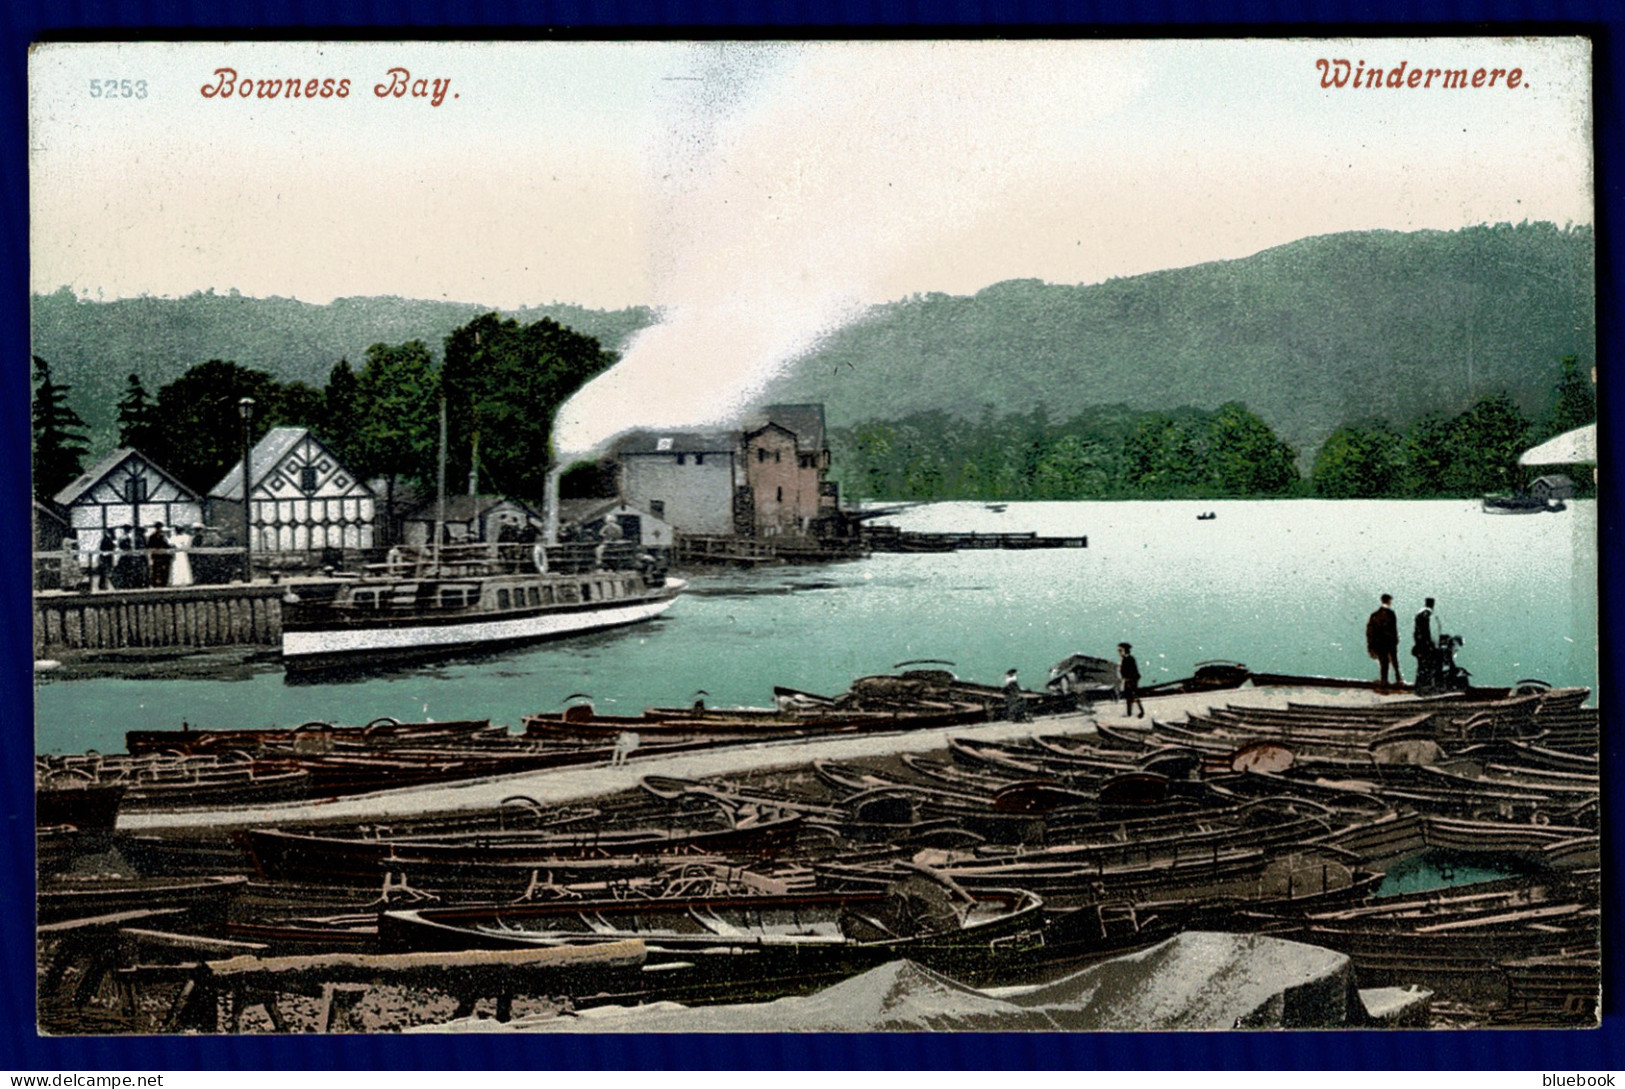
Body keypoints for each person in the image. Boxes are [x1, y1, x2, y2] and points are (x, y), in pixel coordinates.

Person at [1365, 593, 1403, 687]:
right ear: (1389, 601)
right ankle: (1398, 680)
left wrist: (1370, 644)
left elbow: (1370, 630)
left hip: (1379, 642)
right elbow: (1393, 628)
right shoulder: (1391, 613)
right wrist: (1395, 639)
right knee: (1394, 661)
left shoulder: (1375, 614)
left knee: (1383, 662)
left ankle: (1384, 680)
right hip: (1389, 642)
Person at [1413, 597, 1441, 692]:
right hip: (1426, 645)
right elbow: (1429, 631)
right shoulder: (1428, 614)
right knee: (1429, 666)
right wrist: (1432, 644)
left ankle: (1419, 686)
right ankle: (1427, 686)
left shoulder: (1419, 614)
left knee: (1421, 666)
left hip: (1419, 644)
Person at [1117, 642, 1145, 718]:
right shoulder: (1125, 659)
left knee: (1133, 695)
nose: (1119, 652)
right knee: (1129, 696)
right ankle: (1130, 712)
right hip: (1128, 679)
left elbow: (1132, 671)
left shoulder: (1129, 659)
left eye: (1120, 650)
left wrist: (1129, 679)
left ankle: (1140, 712)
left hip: (1131, 680)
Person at [146, 523, 172, 588]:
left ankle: (161, 583)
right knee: (157, 569)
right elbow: (149, 546)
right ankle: (156, 583)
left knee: (161, 569)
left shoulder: (161, 536)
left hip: (162, 556)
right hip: (158, 556)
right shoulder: (153, 536)